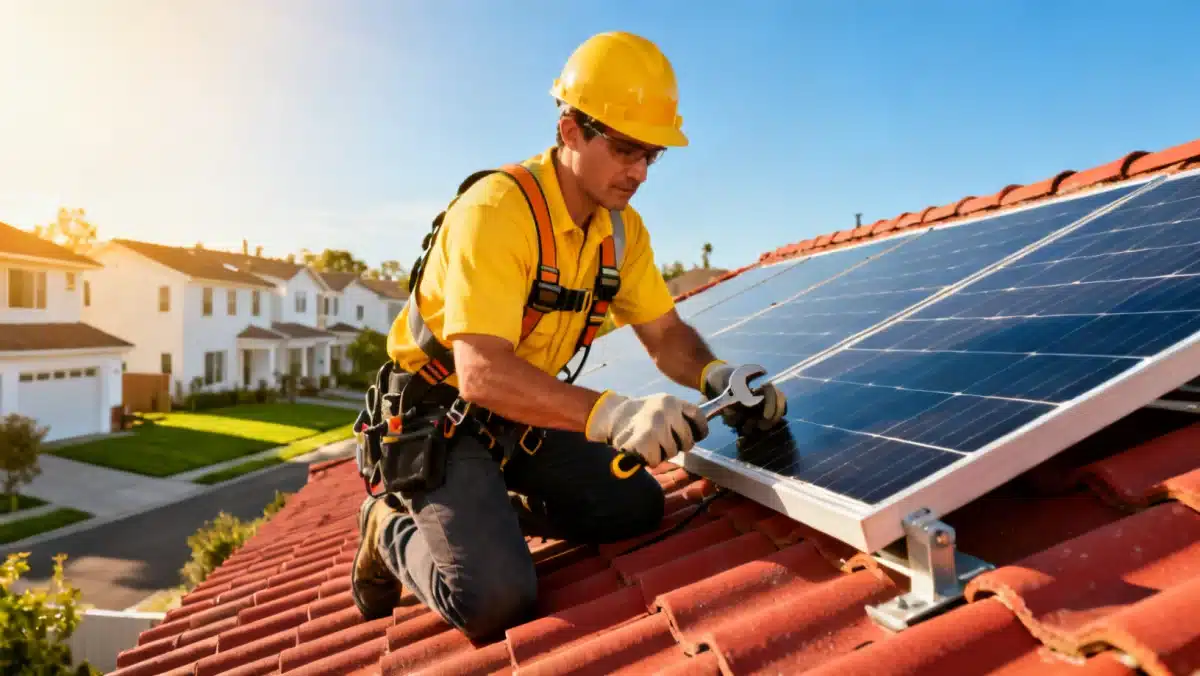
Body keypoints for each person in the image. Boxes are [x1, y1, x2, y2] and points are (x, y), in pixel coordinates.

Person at [349, 30, 786, 640]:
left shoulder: (623, 232)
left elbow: (666, 335)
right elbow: (481, 373)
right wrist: (614, 415)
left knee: (636, 506)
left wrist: (716, 374)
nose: (639, 172)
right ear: (570, 130)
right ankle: (386, 526)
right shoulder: (497, 211)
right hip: (439, 416)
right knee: (495, 600)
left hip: (522, 414)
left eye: (652, 155)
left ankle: (489, 512)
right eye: (626, 149)